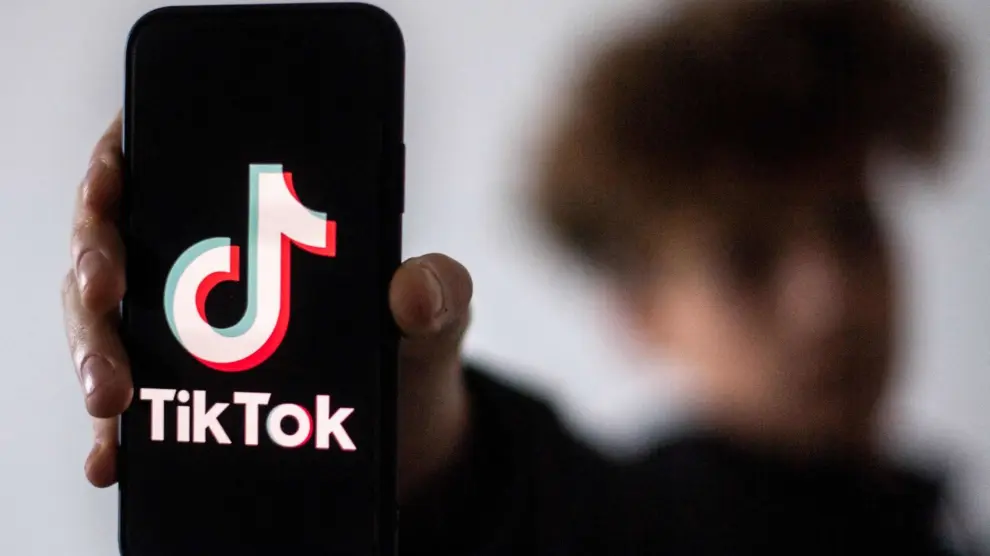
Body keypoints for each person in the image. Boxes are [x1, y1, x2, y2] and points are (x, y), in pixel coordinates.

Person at [62, 0, 977, 554]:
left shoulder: (924, 508)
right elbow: (528, 506)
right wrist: (409, 438)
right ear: (642, 313)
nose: (829, 298)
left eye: (853, 227)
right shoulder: (646, 522)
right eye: (747, 258)